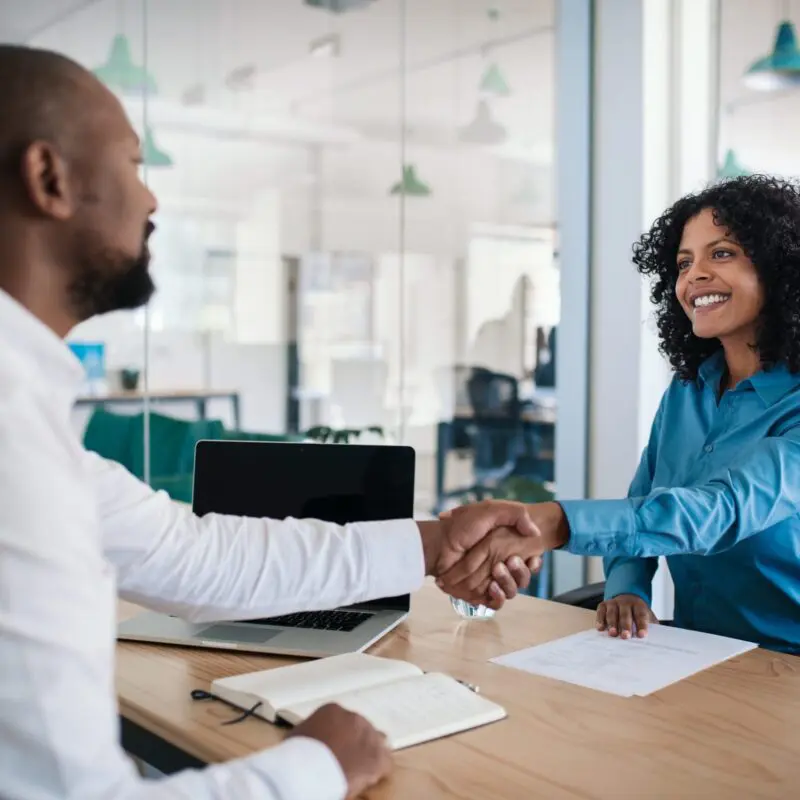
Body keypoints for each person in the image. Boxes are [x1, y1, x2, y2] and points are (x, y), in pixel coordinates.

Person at [0, 45, 539, 800]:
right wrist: (314, 766)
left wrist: (434, 540)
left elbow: (195, 555)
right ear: (49, 178)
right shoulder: (12, 445)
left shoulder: (26, 419)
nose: (152, 200)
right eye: (132, 162)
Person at [439, 176, 800, 656]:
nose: (694, 276)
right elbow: (646, 499)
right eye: (684, 262)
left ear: (780, 269)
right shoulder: (688, 391)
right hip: (690, 653)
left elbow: (715, 512)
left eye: (722, 253)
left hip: (781, 667)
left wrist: (547, 524)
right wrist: (627, 586)